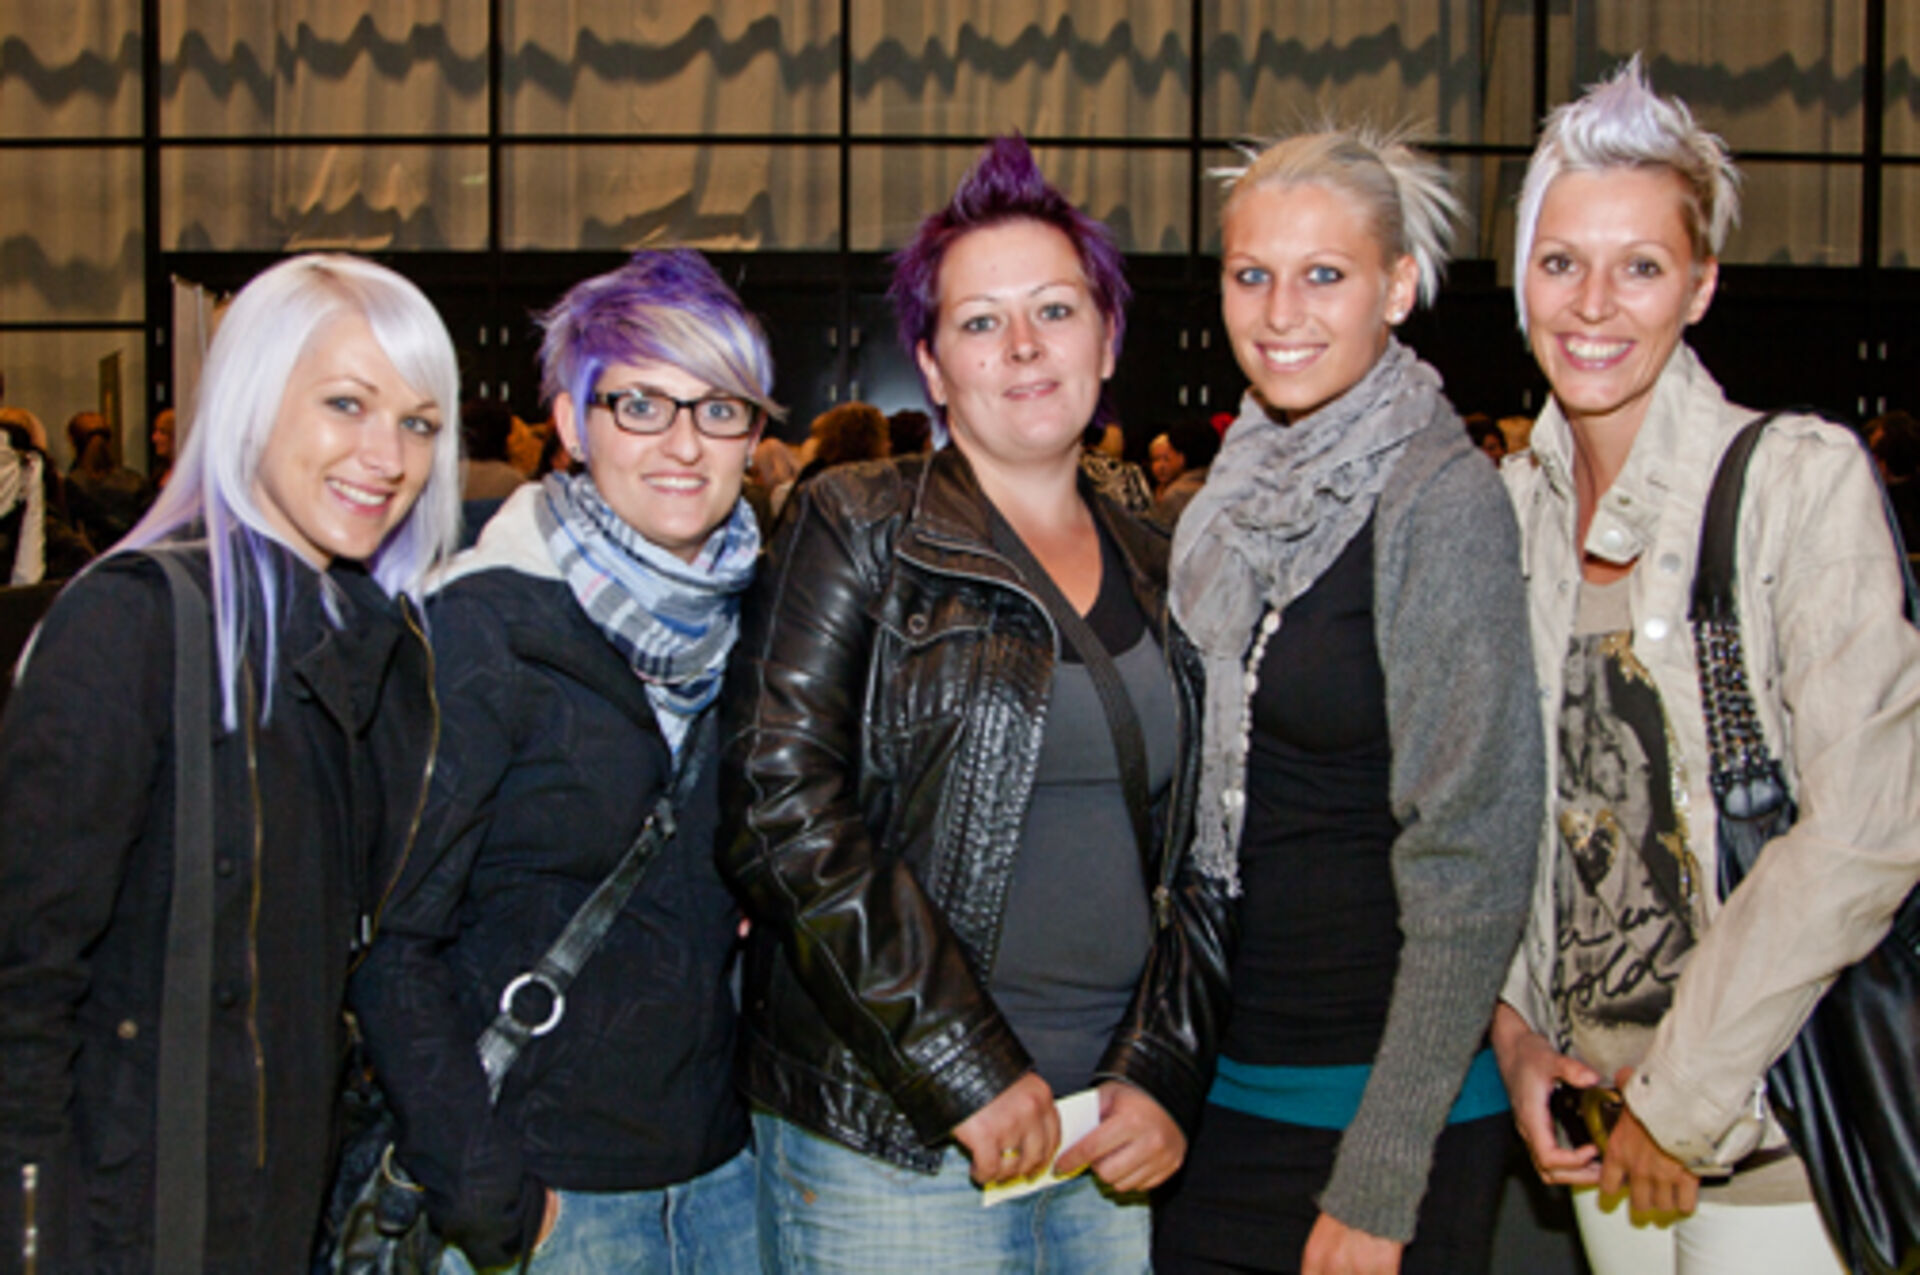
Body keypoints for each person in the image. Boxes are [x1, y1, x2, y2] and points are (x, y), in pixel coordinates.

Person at [719, 135, 1232, 1274]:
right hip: (897, 1142)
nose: (1024, 346)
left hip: (1102, 1134)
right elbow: (777, 806)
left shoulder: (1169, 566)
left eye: (1055, 309)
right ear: (934, 367)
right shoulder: (859, 524)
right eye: (981, 321)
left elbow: (1210, 851)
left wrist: (1165, 1069)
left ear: (1108, 337)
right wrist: (963, 1065)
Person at [1489, 58, 1920, 1274]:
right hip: (1593, 1126)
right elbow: (1490, 815)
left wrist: (1674, 1102)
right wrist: (1516, 1034)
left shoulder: (1795, 482)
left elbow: (1872, 828)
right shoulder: (1505, 515)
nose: (1594, 304)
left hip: (1774, 1135)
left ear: (1701, 284)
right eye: (1561, 261)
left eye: (1641, 266)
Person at [0, 252, 461, 1273]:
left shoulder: (375, 650)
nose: (387, 456)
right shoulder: (133, 626)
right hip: (128, 1225)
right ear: (252, 399)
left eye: (420, 423)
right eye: (346, 403)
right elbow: (23, 987)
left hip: (274, 1210)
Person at [1152, 125, 1543, 1275]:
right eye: (1252, 274)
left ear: (1399, 287)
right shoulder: (1224, 501)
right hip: (1221, 1094)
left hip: (1381, 1115)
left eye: (1324, 274)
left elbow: (1475, 855)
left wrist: (1381, 1173)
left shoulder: (1440, 503)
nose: (1282, 312)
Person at [349, 249, 777, 1274]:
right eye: (641, 405)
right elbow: (390, 943)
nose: (684, 444)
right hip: (552, 1202)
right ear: (572, 424)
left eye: (719, 408)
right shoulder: (482, 626)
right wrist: (490, 1195)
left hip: (727, 1184)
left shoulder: (765, 624)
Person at [64, 410, 152, 555]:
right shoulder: (136, 480)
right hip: (134, 557)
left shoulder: (72, 484)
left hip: (94, 560)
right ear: (110, 441)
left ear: (72, 442)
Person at [1149, 419, 1220, 530]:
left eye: (1170, 452)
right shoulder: (1223, 483)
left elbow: (1158, 536)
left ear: (1181, 457)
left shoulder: (1176, 494)